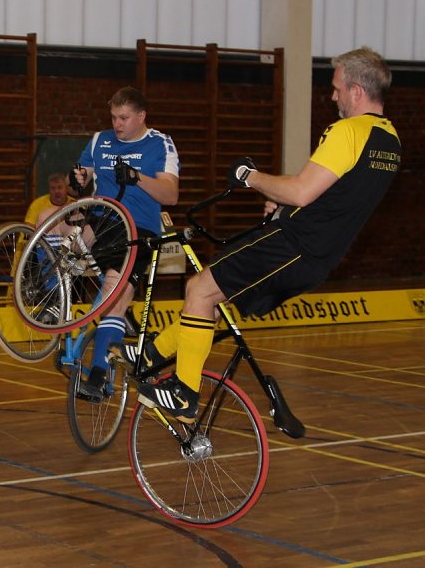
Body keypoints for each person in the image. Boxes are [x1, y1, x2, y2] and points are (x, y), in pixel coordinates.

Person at [137, 47, 401, 422]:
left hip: (293, 244)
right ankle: (153, 352)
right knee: (211, 299)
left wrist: (250, 177)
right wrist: (284, 205)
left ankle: (183, 394)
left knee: (199, 288)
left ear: (357, 91)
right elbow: (335, 192)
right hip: (318, 258)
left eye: (337, 88)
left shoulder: (347, 131)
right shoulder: (389, 141)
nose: (333, 96)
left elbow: (301, 191)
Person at [71, 86, 180, 398]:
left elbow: (171, 195)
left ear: (141, 116)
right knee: (52, 224)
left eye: (124, 118)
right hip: (100, 221)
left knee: (113, 293)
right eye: (113, 117)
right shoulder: (100, 140)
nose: (117, 124)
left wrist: (137, 177)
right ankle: (49, 302)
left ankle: (98, 376)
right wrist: (76, 178)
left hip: (137, 229)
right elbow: (81, 176)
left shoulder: (159, 143)